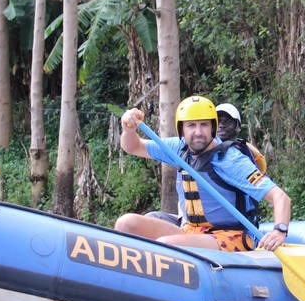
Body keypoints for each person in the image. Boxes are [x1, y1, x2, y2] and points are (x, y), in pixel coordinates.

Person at [115, 95, 291, 252]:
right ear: (182, 129)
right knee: (126, 223)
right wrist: (129, 129)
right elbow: (133, 146)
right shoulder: (179, 147)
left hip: (230, 235)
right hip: (192, 230)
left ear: (213, 128)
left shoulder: (229, 160)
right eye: (191, 125)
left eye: (204, 125)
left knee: (166, 246)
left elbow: (279, 197)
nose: (198, 132)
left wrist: (279, 230)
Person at [215, 102, 268, 173]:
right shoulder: (203, 149)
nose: (221, 125)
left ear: (238, 127)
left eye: (227, 121)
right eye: (218, 121)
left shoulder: (242, 152)